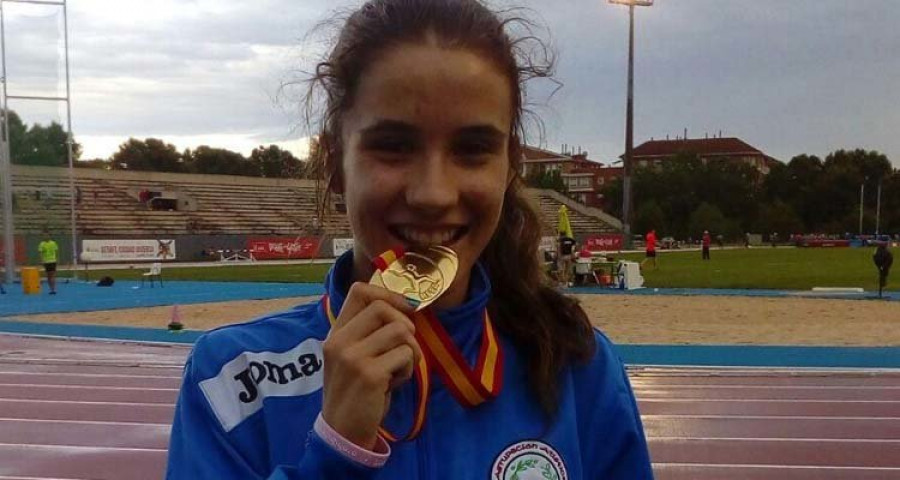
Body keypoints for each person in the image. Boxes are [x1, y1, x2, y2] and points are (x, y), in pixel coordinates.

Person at [165, 1, 653, 479]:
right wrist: (336, 452)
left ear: (510, 165)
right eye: (394, 147)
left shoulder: (576, 366)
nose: (432, 194)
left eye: (472, 150)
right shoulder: (232, 380)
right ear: (335, 161)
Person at [38, 230, 59, 295]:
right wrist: (42, 260)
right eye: (44, 235)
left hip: (52, 261)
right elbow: (40, 253)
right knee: (48, 276)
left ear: (50, 236)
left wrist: (57, 259)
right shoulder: (42, 244)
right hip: (46, 261)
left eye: (47, 235)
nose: (46, 236)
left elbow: (56, 251)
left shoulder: (53, 243)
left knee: (52, 275)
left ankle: (53, 289)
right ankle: (51, 289)